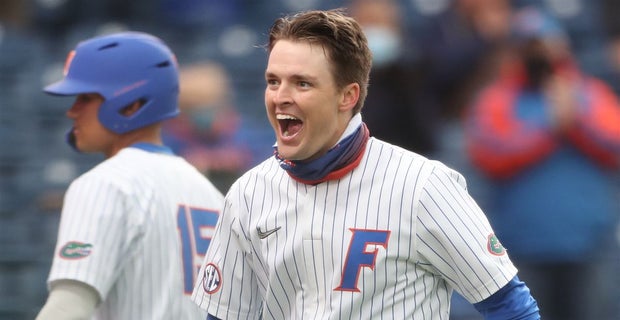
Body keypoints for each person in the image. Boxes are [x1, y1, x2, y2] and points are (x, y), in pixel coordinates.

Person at [192, 9, 540, 319]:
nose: (281, 96)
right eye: (273, 81)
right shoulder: (248, 194)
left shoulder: (423, 185)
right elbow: (225, 315)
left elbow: (510, 306)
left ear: (348, 96)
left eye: (302, 83)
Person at [35, 31, 225, 319]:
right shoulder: (212, 195)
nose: (72, 111)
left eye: (85, 97)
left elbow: (67, 309)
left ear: (131, 105)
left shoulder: (105, 183)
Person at [464, 6, 620, 320]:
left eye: (544, 45)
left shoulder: (589, 94)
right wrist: (549, 127)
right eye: (529, 46)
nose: (538, 54)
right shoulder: (498, 99)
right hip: (523, 248)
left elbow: (614, 145)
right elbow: (489, 154)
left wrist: (577, 119)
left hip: (589, 244)